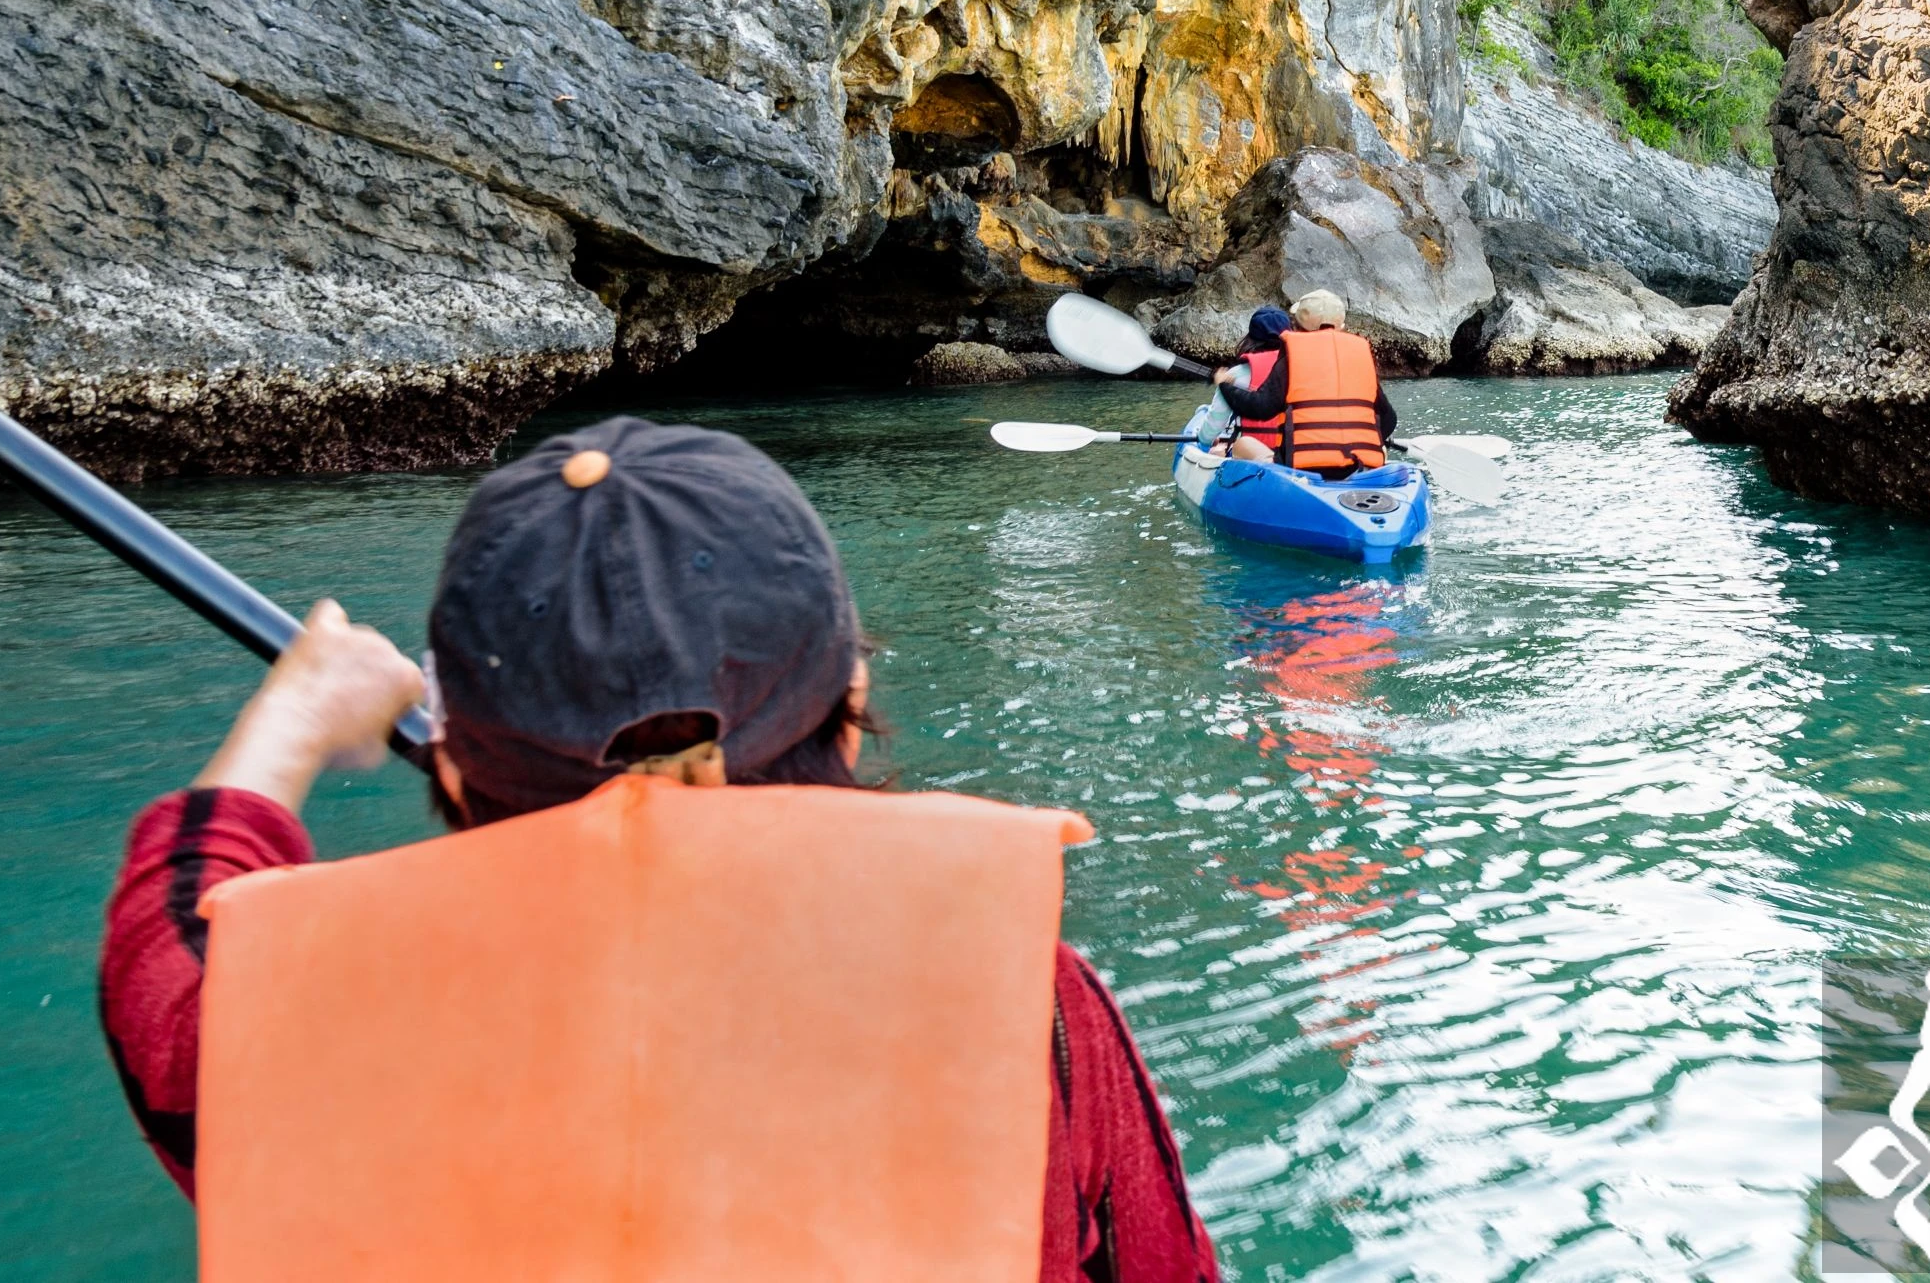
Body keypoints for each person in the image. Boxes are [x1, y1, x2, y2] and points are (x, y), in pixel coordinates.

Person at [97, 417, 1220, 1283]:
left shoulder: (312, 1033)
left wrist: (293, 720)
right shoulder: (1029, 1005)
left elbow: (166, 963)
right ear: (851, 703)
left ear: (448, 766)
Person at [1213, 289, 1390, 477]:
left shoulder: (1293, 356)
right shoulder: (1358, 357)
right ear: (1341, 327)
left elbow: (1261, 408)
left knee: (1243, 444)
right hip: (1357, 466)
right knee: (1382, 451)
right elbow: (1389, 420)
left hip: (1304, 469)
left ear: (1297, 326)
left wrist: (1225, 385)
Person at [1221, 306, 1292, 462]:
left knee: (1217, 450)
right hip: (1293, 454)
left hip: (1255, 456)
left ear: (1251, 338)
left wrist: (1205, 441)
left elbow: (1215, 421)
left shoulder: (1237, 373)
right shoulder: (1300, 368)